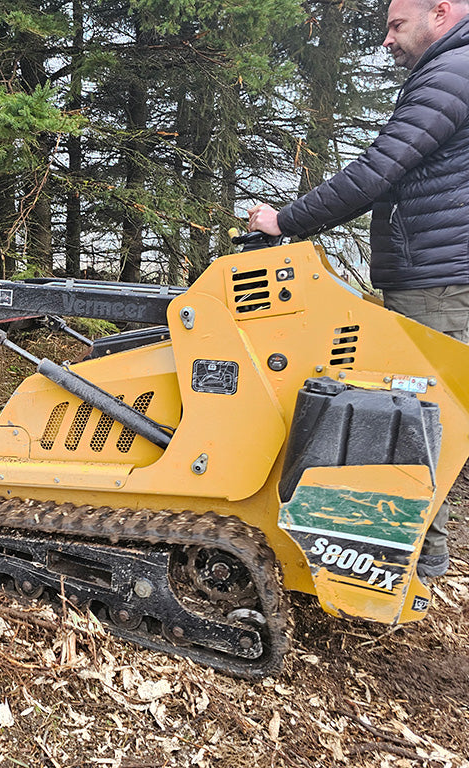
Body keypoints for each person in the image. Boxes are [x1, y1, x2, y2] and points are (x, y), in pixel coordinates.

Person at [248, 0, 469, 579]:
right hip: (436, 276)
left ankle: (411, 567)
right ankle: (407, 558)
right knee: (417, 411)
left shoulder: (451, 72)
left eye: (396, 26)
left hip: (437, 284)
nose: (387, 41)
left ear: (440, 13)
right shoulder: (451, 69)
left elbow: (378, 172)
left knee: (419, 418)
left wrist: (284, 222)